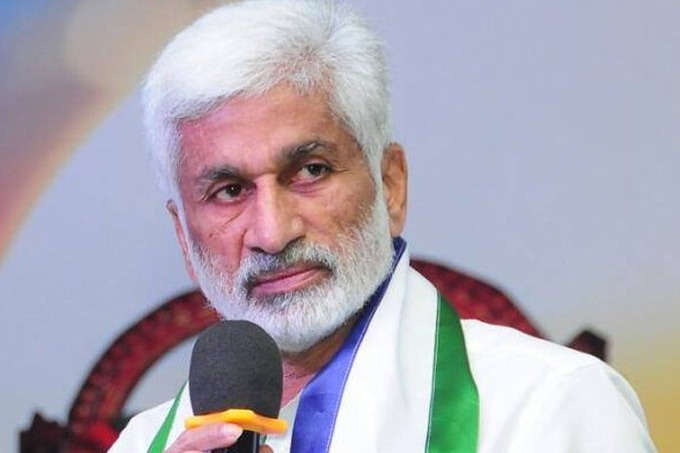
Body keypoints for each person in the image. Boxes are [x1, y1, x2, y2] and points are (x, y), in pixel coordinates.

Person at [109, 0, 657, 451]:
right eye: (229, 191)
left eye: (310, 170)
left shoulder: (551, 407)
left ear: (391, 184)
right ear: (184, 237)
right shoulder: (140, 445)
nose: (272, 234)